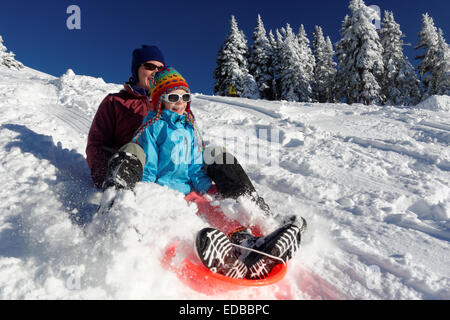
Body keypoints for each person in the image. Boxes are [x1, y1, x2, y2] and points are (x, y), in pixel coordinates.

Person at [127, 66, 307, 280]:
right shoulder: (153, 127)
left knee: (215, 210)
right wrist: (149, 195)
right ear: (159, 100)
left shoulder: (189, 127)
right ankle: (221, 255)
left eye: (185, 96)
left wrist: (209, 190)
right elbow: (148, 167)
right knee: (188, 221)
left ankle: (246, 243)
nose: (180, 102)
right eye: (173, 97)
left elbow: (194, 166)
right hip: (166, 192)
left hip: (190, 189)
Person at [86, 45, 166, 189]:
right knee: (133, 149)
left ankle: (219, 193)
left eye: (160, 69)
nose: (156, 72)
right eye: (150, 66)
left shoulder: (170, 105)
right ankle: (118, 193)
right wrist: (107, 177)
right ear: (137, 70)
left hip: (164, 180)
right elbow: (96, 145)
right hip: (127, 176)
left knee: (213, 153)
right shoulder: (115, 102)